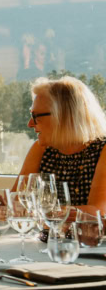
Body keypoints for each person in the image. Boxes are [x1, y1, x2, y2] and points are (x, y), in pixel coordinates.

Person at [16, 76, 106, 212]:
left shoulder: (102, 150)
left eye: (36, 116)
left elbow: (97, 212)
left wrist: (34, 211)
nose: (30, 124)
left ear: (63, 116)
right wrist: (8, 209)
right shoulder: (41, 148)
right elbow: (16, 201)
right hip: (47, 233)